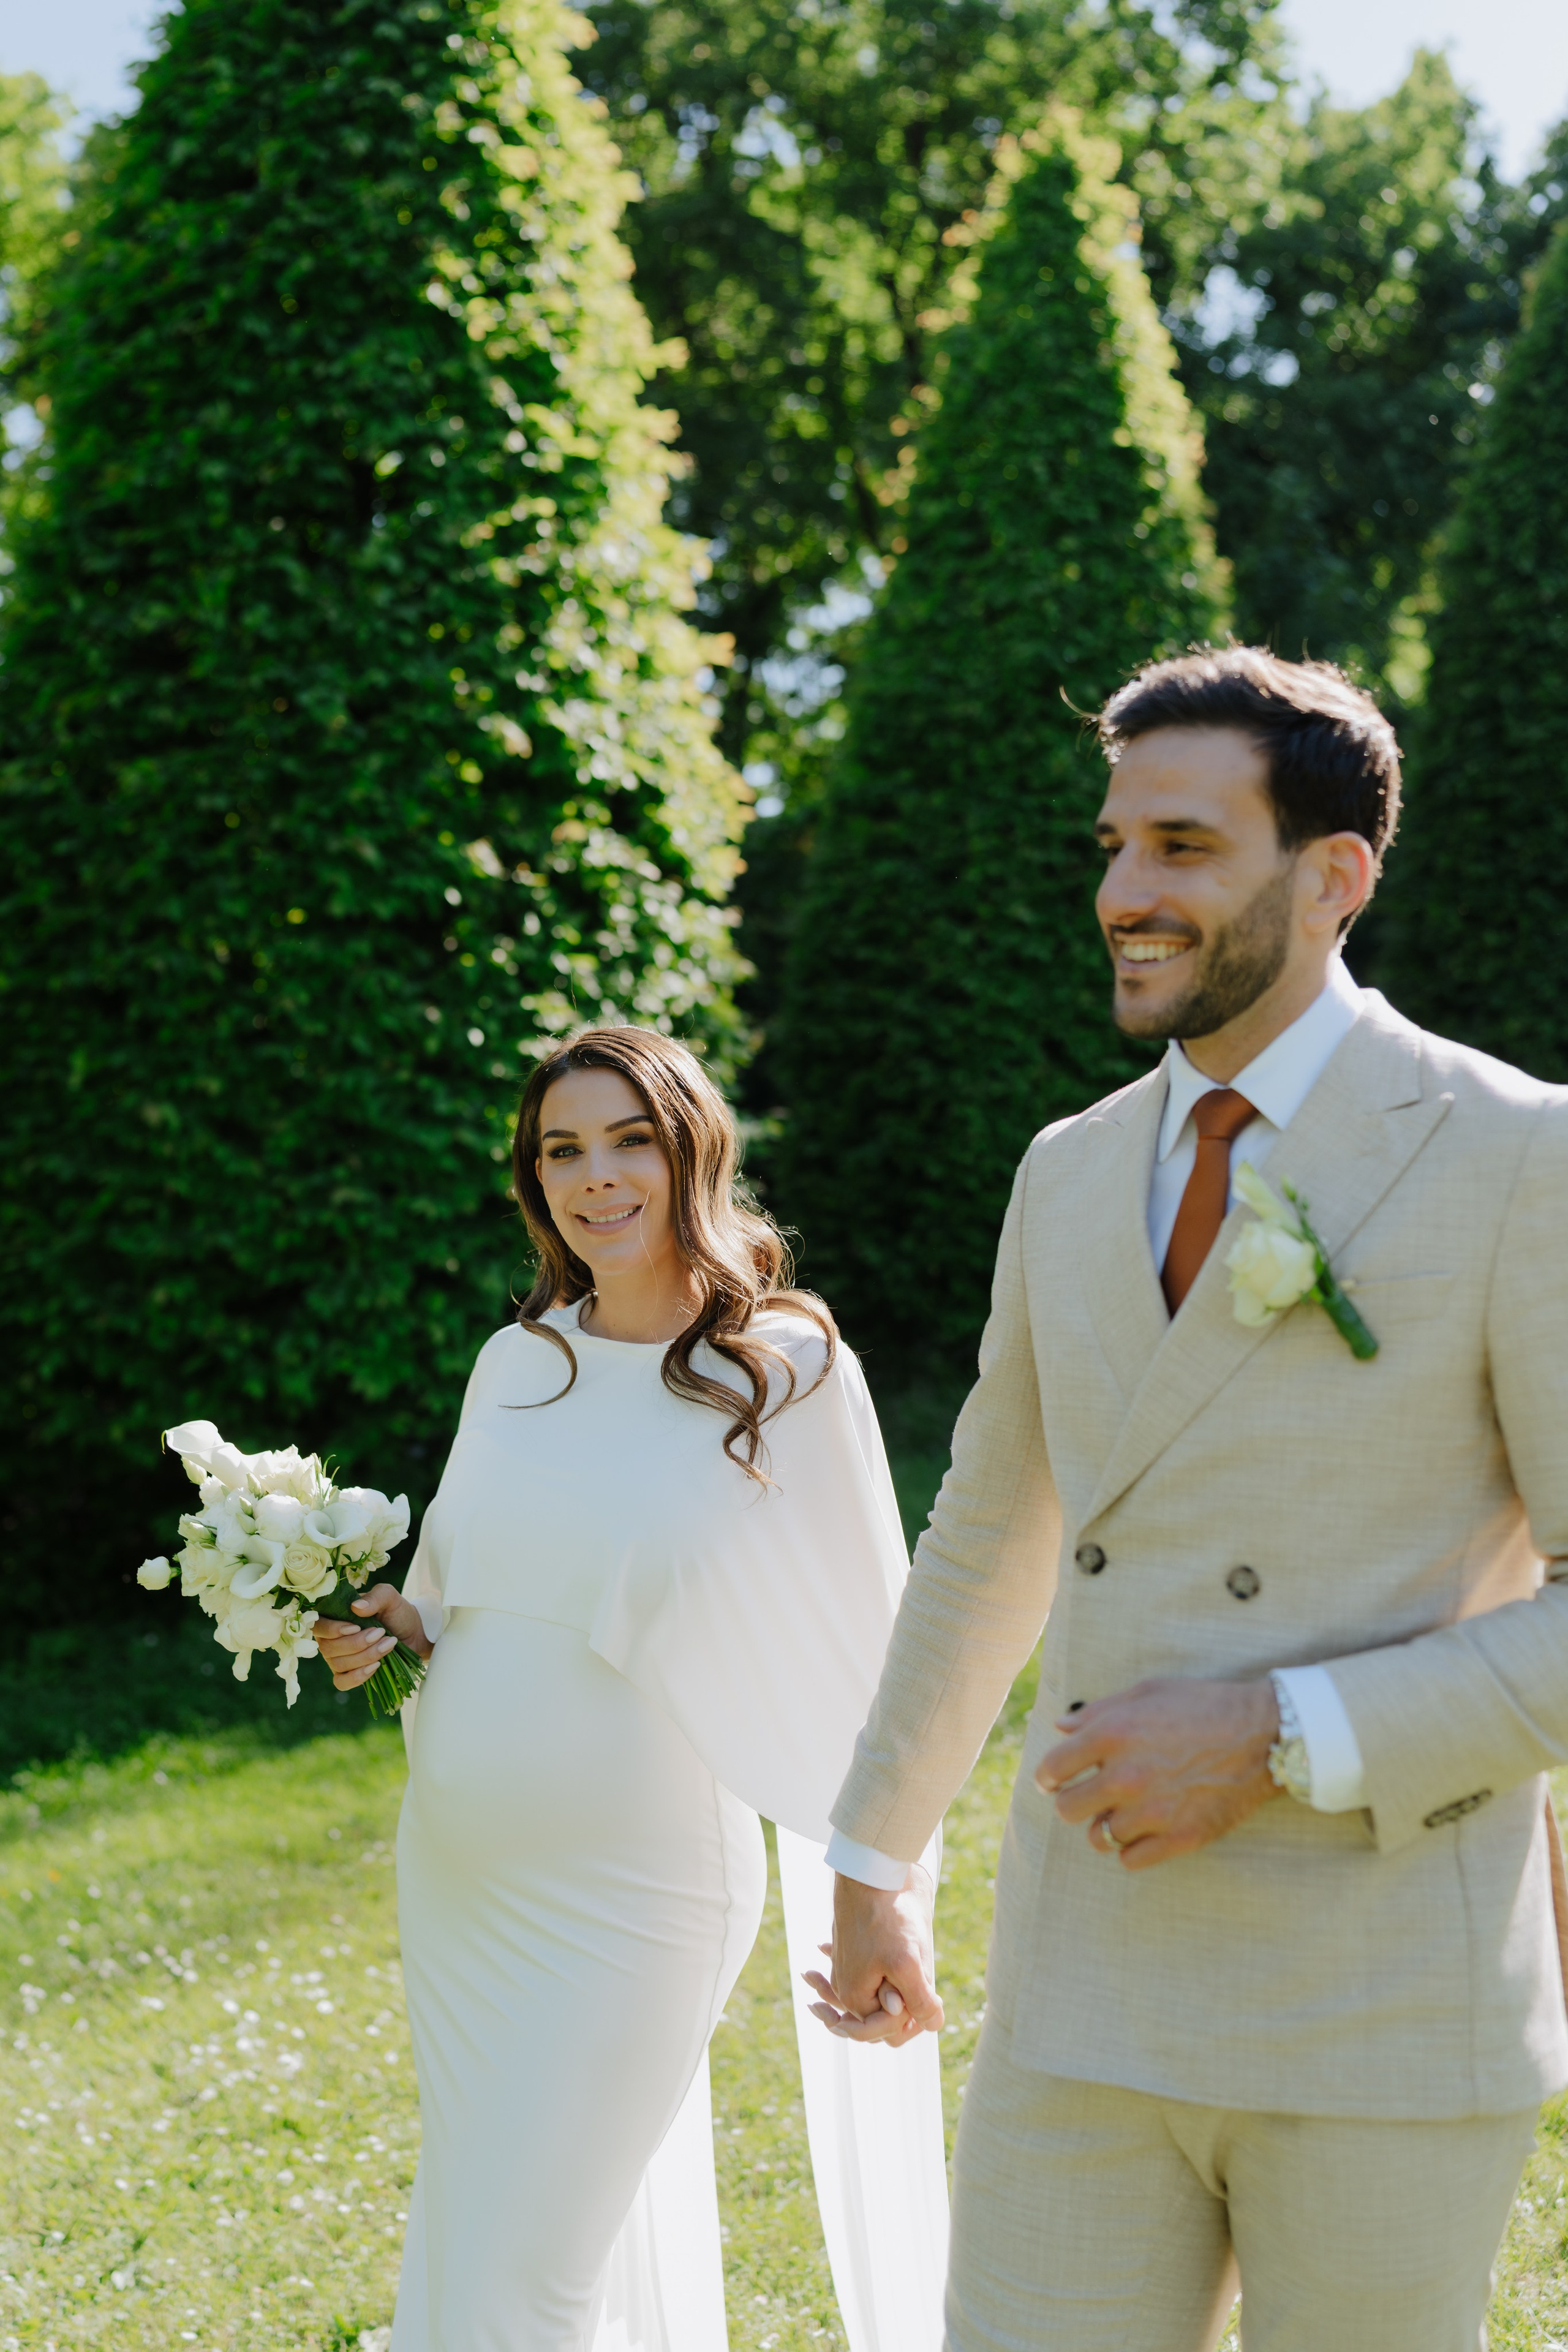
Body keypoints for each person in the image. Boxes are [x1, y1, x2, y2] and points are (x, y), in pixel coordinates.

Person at [809, 646, 1568, 2352]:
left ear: (1334, 877)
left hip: (1387, 1995)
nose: (1123, 895)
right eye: (1113, 846)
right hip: (1088, 1980)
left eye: (1181, 848)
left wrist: (1283, 1729)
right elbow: (988, 1535)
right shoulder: (1068, 1172)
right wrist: (876, 1847)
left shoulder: (1519, 1156)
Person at [314, 1026, 948, 2352]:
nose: (594, 1177)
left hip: (635, 1902)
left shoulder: (787, 1368)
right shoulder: (518, 1363)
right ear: (531, 1179)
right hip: (462, 1886)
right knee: (474, 2240)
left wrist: (879, 1882)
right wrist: (381, 1632)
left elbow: (877, 1642)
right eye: (562, 1150)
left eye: (627, 1141)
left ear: (689, 1151)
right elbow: (445, 1592)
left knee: (522, 2279)